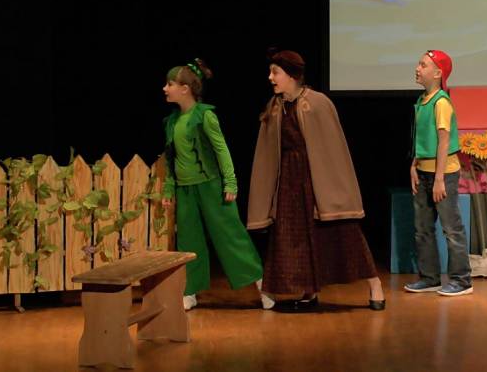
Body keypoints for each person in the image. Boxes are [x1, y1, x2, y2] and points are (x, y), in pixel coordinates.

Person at [247, 49, 385, 311]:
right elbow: (268, 152)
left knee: (343, 234)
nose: (270, 78)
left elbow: (332, 148)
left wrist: (332, 186)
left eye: (275, 72)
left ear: (291, 75)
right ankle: (307, 291)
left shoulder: (317, 103)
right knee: (294, 236)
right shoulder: (275, 107)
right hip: (289, 182)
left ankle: (375, 284)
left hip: (318, 179)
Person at [161, 59, 273, 310]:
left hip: (210, 186)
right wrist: (169, 187)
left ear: (185, 89)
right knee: (188, 240)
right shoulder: (172, 121)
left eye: (170, 84)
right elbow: (171, 159)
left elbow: (222, 150)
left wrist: (230, 183)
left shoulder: (205, 116)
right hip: (185, 189)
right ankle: (190, 291)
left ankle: (261, 284)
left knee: (230, 236)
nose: (165, 89)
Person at [406, 49, 473, 296]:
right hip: (424, 172)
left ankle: (462, 280)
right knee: (422, 228)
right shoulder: (423, 100)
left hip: (442, 175)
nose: (417, 68)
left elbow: (443, 142)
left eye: (423, 65)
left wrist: (439, 179)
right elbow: (422, 139)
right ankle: (429, 277)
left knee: (451, 229)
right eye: (418, 63)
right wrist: (414, 165)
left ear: (437, 73)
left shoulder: (441, 102)